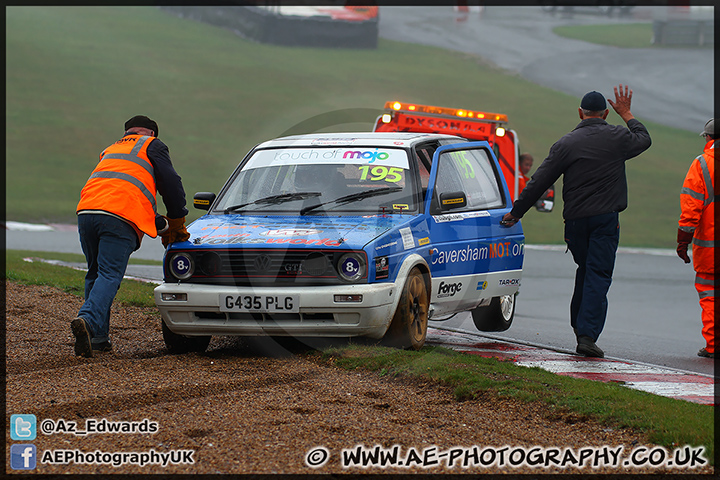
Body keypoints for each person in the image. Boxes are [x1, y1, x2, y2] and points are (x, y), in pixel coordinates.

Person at [501, 84, 651, 358]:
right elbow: (643, 138)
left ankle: (581, 328)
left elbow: (540, 180)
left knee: (586, 269)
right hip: (606, 220)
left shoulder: (566, 143)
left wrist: (516, 212)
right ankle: (586, 335)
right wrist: (627, 113)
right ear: (605, 114)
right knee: (598, 273)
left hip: (576, 223)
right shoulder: (618, 136)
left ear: (580, 113)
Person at [72, 115, 190, 358]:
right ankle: (88, 319)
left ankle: (98, 339)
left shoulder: (111, 149)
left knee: (94, 272)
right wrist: (177, 218)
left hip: (87, 211)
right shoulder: (152, 145)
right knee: (109, 274)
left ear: (128, 132)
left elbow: (119, 185)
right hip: (120, 217)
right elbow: (171, 182)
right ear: (152, 134)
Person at [677, 118, 715, 359]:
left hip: (711, 248)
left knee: (710, 294)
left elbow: (691, 208)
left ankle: (715, 345)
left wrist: (683, 241)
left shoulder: (702, 164)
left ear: (708, 138)